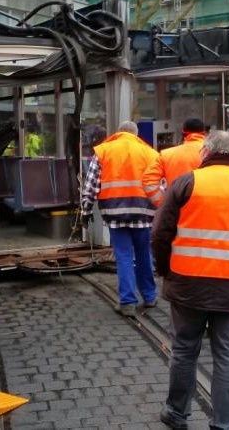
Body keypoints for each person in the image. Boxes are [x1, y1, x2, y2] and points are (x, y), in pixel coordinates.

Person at [151, 130, 229, 430]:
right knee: (227, 356)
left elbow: (159, 233)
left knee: (184, 350)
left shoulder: (186, 183)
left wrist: (165, 270)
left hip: (187, 285)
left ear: (205, 152)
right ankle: (224, 423)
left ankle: (177, 413)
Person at [81, 120, 159, 317]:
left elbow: (90, 185)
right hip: (143, 212)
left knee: (123, 257)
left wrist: (85, 210)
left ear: (119, 133)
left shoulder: (104, 151)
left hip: (115, 213)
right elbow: (160, 185)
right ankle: (149, 296)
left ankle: (127, 302)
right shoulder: (150, 153)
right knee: (144, 255)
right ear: (135, 134)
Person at [142, 117, 206, 207]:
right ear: (204, 133)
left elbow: (148, 181)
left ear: (183, 134)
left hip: (179, 210)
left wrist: (164, 204)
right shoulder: (217, 154)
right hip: (208, 210)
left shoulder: (167, 154)